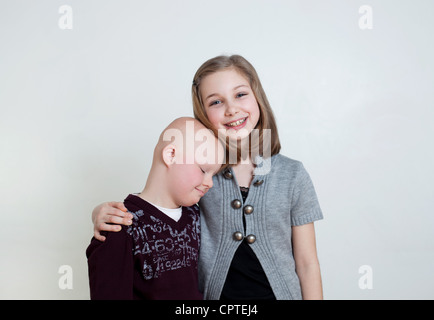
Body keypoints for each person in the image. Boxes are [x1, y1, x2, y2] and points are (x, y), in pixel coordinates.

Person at [91, 55, 324, 300]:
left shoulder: (293, 175)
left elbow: (307, 263)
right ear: (203, 113)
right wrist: (100, 212)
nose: (231, 108)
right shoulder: (200, 175)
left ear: (258, 97)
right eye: (216, 102)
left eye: (240, 94)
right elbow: (159, 203)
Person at [86, 117, 223, 300]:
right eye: (204, 170)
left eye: (214, 174)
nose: (210, 183)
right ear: (171, 155)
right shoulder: (120, 226)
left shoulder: (197, 217)